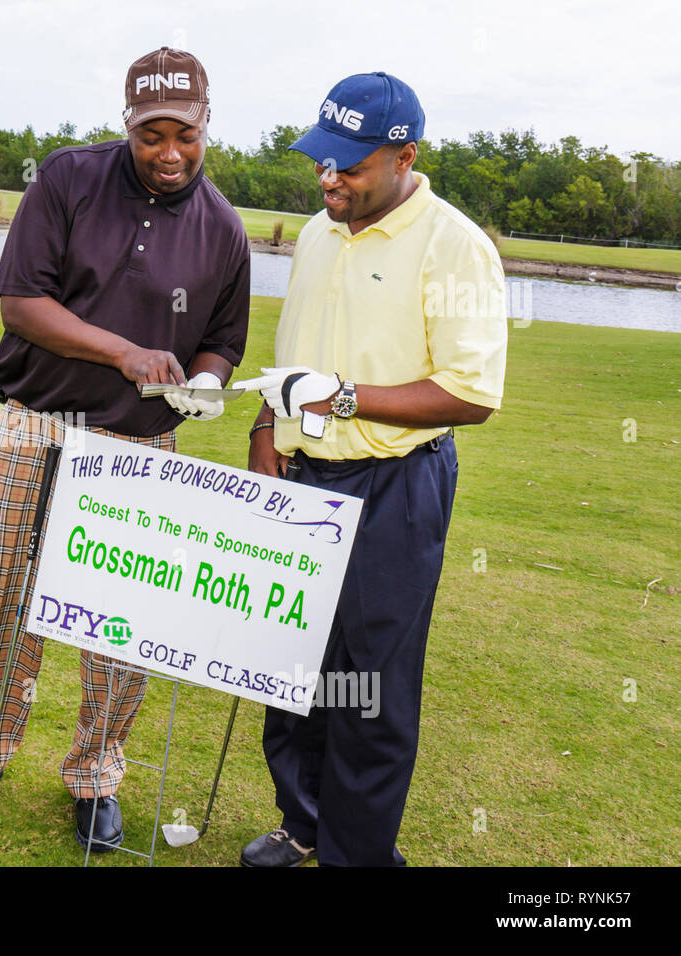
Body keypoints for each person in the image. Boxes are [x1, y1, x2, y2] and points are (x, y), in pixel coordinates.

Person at [0, 47, 251, 852]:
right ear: (128, 125)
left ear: (208, 124)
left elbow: (221, 341)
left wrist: (203, 384)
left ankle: (96, 775)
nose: (168, 152)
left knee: (119, 626)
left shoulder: (225, 229)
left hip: (141, 444)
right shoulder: (66, 178)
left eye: (184, 134)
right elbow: (22, 307)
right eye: (151, 135)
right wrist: (124, 354)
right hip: (35, 422)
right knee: (4, 601)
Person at [237, 72, 508, 867]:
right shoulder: (321, 231)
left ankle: (356, 853)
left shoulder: (455, 245)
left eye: (350, 165)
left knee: (370, 687)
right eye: (323, 160)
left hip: (395, 487)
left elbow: (469, 393)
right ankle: (303, 819)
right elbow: (299, 354)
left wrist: (342, 398)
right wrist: (267, 422)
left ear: (404, 157)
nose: (329, 178)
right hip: (305, 474)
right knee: (296, 667)